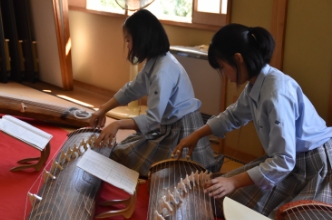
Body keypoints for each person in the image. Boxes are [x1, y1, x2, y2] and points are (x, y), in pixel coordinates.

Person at [173, 24, 332, 217]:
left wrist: (233, 181)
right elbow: (233, 115)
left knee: (280, 214)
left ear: (238, 59)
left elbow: (284, 160)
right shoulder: (257, 84)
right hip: (286, 160)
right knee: (221, 195)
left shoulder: (276, 92)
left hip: (312, 166)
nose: (225, 76)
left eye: (223, 67)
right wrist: (197, 134)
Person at [87, 10, 222, 176]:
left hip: (182, 130)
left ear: (142, 38)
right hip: (168, 125)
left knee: (130, 158)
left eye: (128, 40)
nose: (128, 46)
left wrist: (118, 124)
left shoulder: (162, 70)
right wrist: (103, 109)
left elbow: (152, 119)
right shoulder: (155, 60)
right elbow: (133, 89)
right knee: (125, 149)